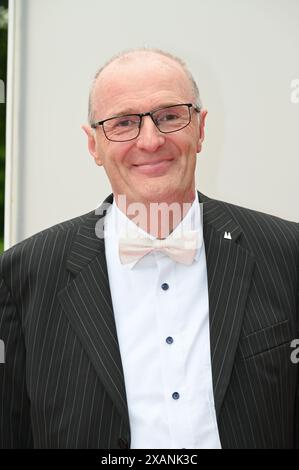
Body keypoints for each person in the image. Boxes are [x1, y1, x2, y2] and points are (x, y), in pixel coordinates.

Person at [0, 48, 298, 449]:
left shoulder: (288, 254)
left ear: (201, 129)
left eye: (170, 116)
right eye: (123, 123)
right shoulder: (22, 276)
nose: (151, 140)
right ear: (93, 145)